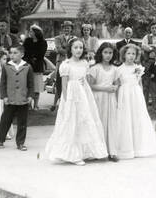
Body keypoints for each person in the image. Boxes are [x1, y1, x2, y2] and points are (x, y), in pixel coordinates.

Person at [45, 38, 107, 166]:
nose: (78, 50)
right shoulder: (66, 65)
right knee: (72, 122)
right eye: (75, 47)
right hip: (72, 96)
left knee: (84, 121)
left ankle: (85, 152)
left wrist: (85, 89)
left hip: (83, 95)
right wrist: (68, 102)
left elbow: (84, 79)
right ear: (70, 49)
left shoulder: (85, 63)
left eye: (80, 47)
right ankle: (73, 154)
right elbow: (64, 86)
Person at [115, 44, 156, 159]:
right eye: (128, 53)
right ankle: (126, 148)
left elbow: (139, 83)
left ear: (137, 55)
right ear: (124, 55)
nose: (131, 56)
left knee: (137, 118)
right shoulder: (119, 69)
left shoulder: (138, 68)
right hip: (125, 95)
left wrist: (141, 98)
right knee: (126, 119)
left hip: (136, 95)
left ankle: (139, 147)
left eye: (133, 54)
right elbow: (117, 85)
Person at [0, 45, 34, 151]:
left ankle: (20, 143)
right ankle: (0, 139)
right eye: (11, 53)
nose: (12, 55)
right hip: (9, 99)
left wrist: (30, 95)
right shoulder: (6, 66)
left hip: (23, 99)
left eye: (15, 53)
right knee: (5, 120)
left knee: (22, 122)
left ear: (22, 54)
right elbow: (2, 83)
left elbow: (31, 84)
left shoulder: (27, 67)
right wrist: (3, 96)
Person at [88, 42, 119, 162]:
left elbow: (117, 84)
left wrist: (115, 88)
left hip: (110, 99)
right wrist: (105, 88)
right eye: (105, 52)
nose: (108, 55)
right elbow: (90, 86)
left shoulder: (115, 69)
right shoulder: (95, 68)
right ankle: (98, 151)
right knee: (99, 123)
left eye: (110, 53)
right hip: (99, 98)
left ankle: (112, 151)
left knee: (110, 124)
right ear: (101, 53)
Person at [51, 20, 75, 112]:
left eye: (68, 27)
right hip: (60, 62)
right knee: (59, 82)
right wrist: (69, 50)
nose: (66, 29)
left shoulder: (74, 38)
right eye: (65, 27)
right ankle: (55, 103)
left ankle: (68, 102)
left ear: (71, 29)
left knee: (70, 81)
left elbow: (74, 47)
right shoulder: (58, 38)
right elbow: (58, 49)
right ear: (62, 28)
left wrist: (65, 48)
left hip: (71, 62)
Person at [23, 24, 47, 110]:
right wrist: (29, 59)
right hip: (28, 66)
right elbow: (24, 53)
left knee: (37, 87)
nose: (29, 32)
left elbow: (41, 54)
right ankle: (29, 105)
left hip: (38, 67)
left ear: (36, 32)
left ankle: (36, 105)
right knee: (28, 86)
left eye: (31, 31)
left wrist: (33, 57)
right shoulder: (27, 41)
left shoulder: (43, 42)